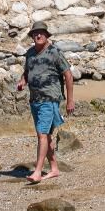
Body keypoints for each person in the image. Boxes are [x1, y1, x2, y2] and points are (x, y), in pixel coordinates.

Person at [14, 24, 75, 184]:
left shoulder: (54, 52)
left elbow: (68, 75)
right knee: (45, 136)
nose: (38, 36)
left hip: (50, 99)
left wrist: (70, 100)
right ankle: (54, 169)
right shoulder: (30, 53)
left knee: (42, 135)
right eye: (35, 33)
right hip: (35, 100)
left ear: (46, 35)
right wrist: (22, 82)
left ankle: (38, 171)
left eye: (41, 33)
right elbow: (27, 73)